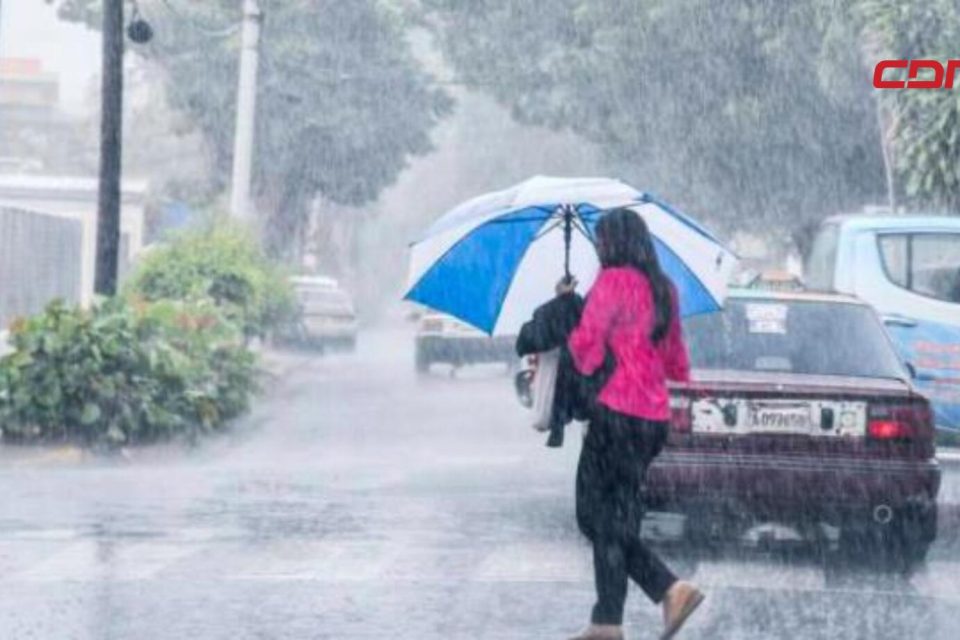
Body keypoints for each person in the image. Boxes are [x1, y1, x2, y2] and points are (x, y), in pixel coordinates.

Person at [564, 209, 704, 640]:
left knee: (593, 516)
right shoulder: (665, 289)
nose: (599, 249)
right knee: (617, 520)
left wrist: (571, 307)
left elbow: (585, 349)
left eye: (601, 241)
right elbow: (675, 360)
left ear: (614, 244)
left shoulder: (612, 282)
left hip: (615, 413)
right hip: (651, 420)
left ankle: (668, 588)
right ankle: (607, 622)